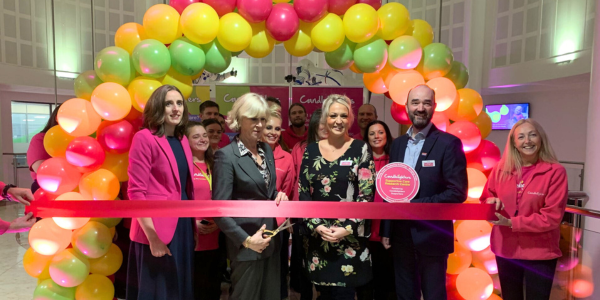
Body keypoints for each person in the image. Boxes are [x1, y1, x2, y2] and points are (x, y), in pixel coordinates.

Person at [380, 85, 468, 300]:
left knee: (434, 295)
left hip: (433, 235)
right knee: (405, 294)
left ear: (434, 107)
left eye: (426, 103)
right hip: (401, 236)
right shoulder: (398, 145)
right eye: (415, 103)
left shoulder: (449, 143)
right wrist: (387, 229)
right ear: (407, 107)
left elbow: (457, 192)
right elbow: (392, 191)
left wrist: (415, 206)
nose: (420, 108)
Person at [298, 94, 376, 300]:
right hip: (318, 238)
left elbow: (366, 195)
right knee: (323, 294)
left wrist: (346, 228)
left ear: (350, 119)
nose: (338, 120)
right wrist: (316, 226)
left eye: (344, 115)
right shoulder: (311, 151)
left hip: (349, 240)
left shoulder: (362, 149)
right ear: (325, 119)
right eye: (333, 115)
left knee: (345, 294)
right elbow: (303, 192)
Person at [212, 93, 289, 300]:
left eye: (262, 119)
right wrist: (246, 241)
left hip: (271, 243)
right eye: (253, 119)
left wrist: (278, 195)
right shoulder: (226, 156)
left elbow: (266, 192)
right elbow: (219, 211)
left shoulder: (266, 150)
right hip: (246, 247)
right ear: (239, 119)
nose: (259, 124)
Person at [480, 119, 568, 300]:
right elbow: (484, 201)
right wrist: (491, 202)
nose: (527, 141)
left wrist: (511, 222)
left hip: (540, 254)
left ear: (541, 139)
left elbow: (551, 217)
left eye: (532, 135)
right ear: (514, 143)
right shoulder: (500, 170)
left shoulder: (555, 172)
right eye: (521, 137)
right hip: (506, 251)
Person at [126, 85, 196, 300]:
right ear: (158, 107)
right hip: (155, 227)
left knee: (179, 287)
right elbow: (136, 192)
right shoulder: (144, 138)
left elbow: (183, 187)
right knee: (158, 290)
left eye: (179, 103)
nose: (176, 109)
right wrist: (152, 236)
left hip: (182, 223)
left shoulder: (183, 140)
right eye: (169, 103)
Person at [288, 108, 326, 300]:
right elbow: (295, 182)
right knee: (303, 260)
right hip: (302, 213)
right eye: (322, 125)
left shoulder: (343, 149)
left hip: (330, 216)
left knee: (327, 260)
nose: (327, 128)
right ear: (314, 127)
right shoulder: (300, 148)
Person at [358, 120, 396, 300]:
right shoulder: (361, 161)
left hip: (387, 228)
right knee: (365, 278)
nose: (376, 136)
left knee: (386, 277)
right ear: (366, 138)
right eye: (372, 133)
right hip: (364, 227)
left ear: (387, 135)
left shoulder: (396, 161)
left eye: (380, 132)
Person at [185, 121, 222, 300]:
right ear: (186, 140)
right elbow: (178, 200)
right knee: (195, 284)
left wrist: (219, 224)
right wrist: (192, 223)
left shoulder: (216, 164)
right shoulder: (182, 166)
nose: (202, 139)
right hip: (192, 233)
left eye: (204, 135)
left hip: (216, 231)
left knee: (213, 283)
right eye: (196, 136)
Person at [261, 110, 295, 300]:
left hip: (276, 222)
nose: (273, 132)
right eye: (268, 128)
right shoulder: (248, 153)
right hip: (253, 220)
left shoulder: (287, 158)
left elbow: (286, 190)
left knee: (278, 268)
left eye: (276, 128)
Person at [27, 105, 60, 193]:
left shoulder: (77, 139)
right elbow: (40, 168)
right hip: (47, 186)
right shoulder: (40, 139)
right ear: (57, 118)